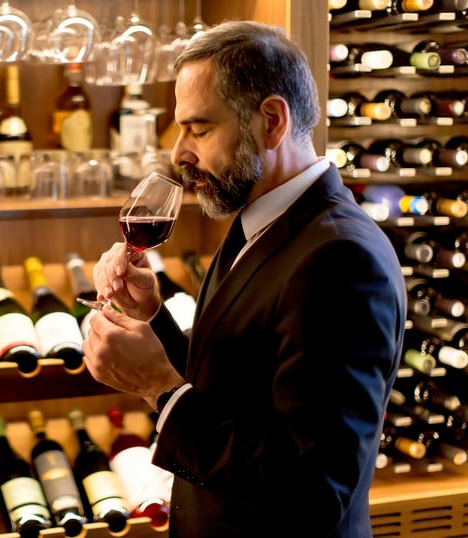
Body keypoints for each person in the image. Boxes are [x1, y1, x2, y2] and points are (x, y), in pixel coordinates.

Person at [82, 20, 406, 538]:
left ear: (272, 121)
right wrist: (153, 319)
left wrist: (159, 391)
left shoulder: (341, 260)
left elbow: (313, 492)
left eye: (199, 129)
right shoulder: (260, 219)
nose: (178, 153)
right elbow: (235, 378)